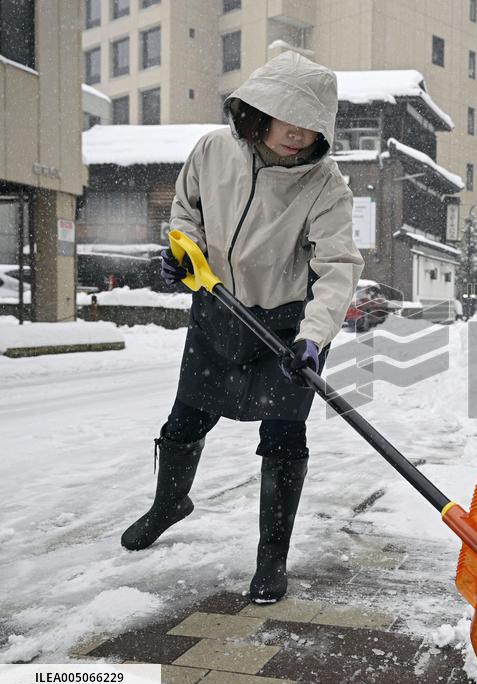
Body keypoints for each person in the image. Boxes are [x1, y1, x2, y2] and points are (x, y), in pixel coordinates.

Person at [120, 51, 364, 604]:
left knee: (283, 435)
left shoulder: (325, 186)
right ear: (261, 111)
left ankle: (271, 559)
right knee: (186, 418)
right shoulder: (213, 150)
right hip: (217, 310)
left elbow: (337, 270)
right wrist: (183, 251)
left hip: (283, 328)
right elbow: (188, 210)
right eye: (288, 120)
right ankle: (168, 504)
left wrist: (313, 337)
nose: (298, 137)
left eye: (311, 127)